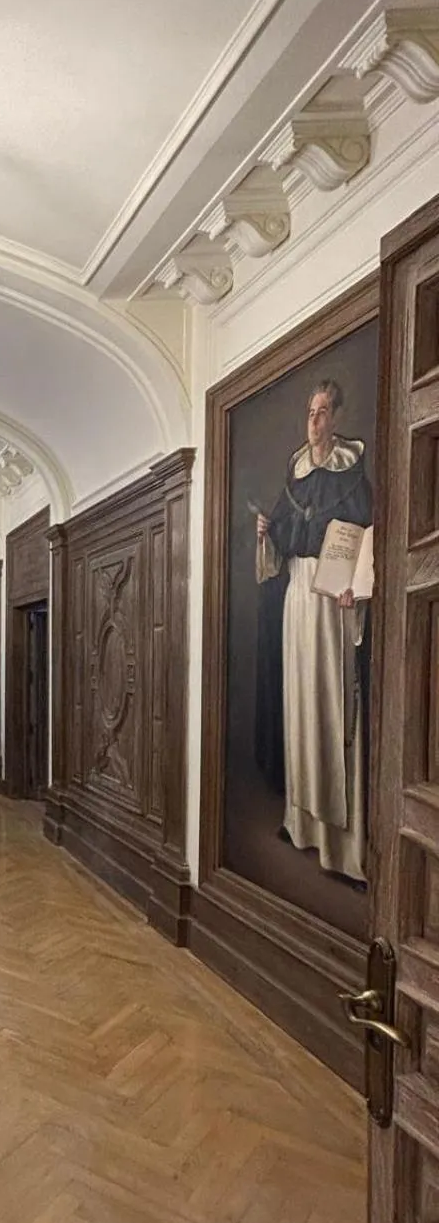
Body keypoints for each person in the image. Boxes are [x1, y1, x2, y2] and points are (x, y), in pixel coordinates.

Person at [254, 378, 371, 882]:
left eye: (324, 411)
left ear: (338, 417)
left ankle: (339, 845)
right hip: (299, 596)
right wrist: (267, 533)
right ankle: (300, 822)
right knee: (299, 700)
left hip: (334, 599)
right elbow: (282, 539)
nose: (316, 421)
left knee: (329, 701)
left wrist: (357, 585)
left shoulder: (352, 472)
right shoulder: (296, 471)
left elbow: (367, 536)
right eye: (310, 411)